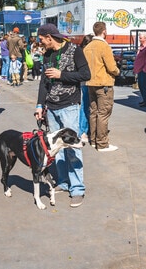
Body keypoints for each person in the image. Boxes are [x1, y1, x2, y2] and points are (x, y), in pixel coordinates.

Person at [35, 23, 90, 208]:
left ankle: (77, 189)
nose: (40, 43)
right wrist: (40, 105)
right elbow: (43, 82)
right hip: (51, 108)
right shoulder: (47, 54)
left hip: (70, 106)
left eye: (41, 39)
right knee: (56, 149)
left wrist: (62, 74)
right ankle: (64, 182)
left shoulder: (75, 50)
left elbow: (85, 74)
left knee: (73, 148)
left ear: (49, 37)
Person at [83, 22, 121, 152]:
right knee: (103, 113)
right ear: (104, 31)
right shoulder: (104, 46)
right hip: (103, 83)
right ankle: (102, 143)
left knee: (93, 112)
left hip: (90, 83)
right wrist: (117, 71)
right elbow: (111, 67)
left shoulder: (88, 47)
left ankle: (93, 140)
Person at [79, 34, 94, 144]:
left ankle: (85, 130)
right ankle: (83, 131)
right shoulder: (86, 52)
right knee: (86, 106)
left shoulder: (81, 51)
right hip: (87, 82)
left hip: (84, 82)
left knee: (86, 106)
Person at [133, 31, 146, 107]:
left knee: (145, 86)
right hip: (140, 70)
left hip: (144, 70)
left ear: (145, 38)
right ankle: (144, 100)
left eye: (140, 38)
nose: (139, 39)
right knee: (141, 86)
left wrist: (145, 69)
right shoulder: (141, 47)